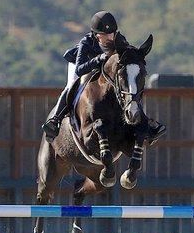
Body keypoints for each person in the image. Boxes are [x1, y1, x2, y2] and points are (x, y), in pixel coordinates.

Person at [42, 11, 166, 142]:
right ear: (96, 35)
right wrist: (99, 59)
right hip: (82, 67)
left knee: (128, 89)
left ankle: (146, 124)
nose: (109, 37)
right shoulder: (86, 43)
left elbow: (127, 58)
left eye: (111, 33)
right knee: (71, 86)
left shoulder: (119, 39)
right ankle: (55, 120)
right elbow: (79, 70)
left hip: (103, 74)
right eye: (104, 34)